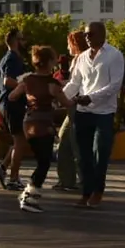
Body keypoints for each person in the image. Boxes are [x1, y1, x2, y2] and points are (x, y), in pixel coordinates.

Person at [62, 22, 125, 208]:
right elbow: (75, 83)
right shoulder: (81, 57)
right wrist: (60, 97)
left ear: (103, 34)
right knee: (82, 156)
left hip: (104, 113)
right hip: (83, 112)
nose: (87, 37)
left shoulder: (114, 55)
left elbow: (115, 85)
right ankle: (86, 192)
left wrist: (91, 97)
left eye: (91, 34)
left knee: (101, 153)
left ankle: (98, 191)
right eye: (86, 34)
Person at [8, 45, 75, 213]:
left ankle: (30, 194)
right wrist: (81, 100)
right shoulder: (52, 83)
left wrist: (29, 98)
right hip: (43, 125)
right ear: (49, 62)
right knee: (44, 162)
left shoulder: (27, 80)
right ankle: (29, 195)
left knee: (41, 160)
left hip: (28, 123)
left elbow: (12, 96)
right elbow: (67, 103)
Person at [0, 29, 30, 189]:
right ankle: (13, 178)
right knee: (20, 141)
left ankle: (2, 167)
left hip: (8, 103)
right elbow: (8, 80)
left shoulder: (7, 58)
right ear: (15, 40)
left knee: (19, 140)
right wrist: (26, 86)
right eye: (22, 38)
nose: (24, 42)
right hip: (12, 103)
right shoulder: (13, 58)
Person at [52, 31, 87, 192]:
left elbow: (77, 84)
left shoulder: (81, 59)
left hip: (76, 106)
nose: (67, 46)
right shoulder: (79, 59)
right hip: (73, 105)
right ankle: (67, 180)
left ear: (74, 43)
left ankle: (81, 181)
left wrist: (58, 87)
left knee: (74, 144)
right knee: (65, 142)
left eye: (69, 43)